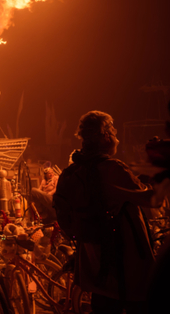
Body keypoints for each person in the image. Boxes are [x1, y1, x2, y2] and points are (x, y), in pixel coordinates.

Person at [54, 111, 156, 314]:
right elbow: (151, 200)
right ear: (106, 136)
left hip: (93, 265)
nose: (116, 137)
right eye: (114, 132)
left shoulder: (72, 172)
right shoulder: (112, 168)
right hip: (126, 265)